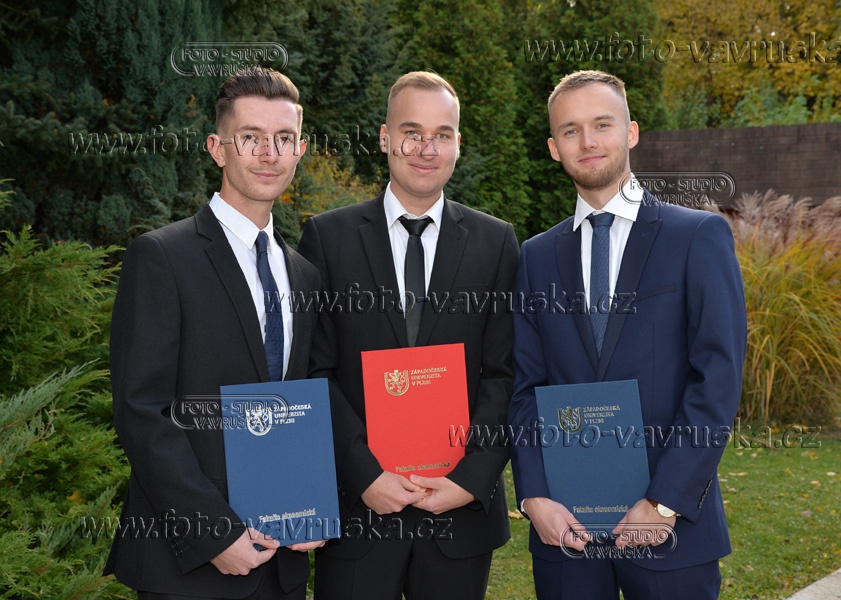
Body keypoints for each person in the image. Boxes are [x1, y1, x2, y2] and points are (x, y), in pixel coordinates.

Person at [507, 69, 747, 600]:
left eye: (602, 124)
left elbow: (718, 378)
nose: (587, 141)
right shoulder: (536, 257)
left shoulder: (696, 236)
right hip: (566, 533)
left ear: (631, 132)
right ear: (553, 148)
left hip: (672, 532)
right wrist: (534, 496)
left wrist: (664, 502)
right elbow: (525, 388)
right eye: (570, 130)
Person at [297, 71, 518, 600]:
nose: (426, 148)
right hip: (359, 516)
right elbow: (314, 371)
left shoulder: (496, 242)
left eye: (442, 134)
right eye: (411, 132)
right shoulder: (327, 237)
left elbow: (506, 373)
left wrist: (470, 478)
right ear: (384, 137)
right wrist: (363, 475)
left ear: (458, 144)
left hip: (458, 518)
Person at [105, 67, 323, 600]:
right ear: (216, 148)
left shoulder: (304, 275)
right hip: (189, 565)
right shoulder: (162, 257)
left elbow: (299, 405)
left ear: (299, 150)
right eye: (250, 137)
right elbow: (141, 410)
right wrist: (214, 533)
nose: (269, 153)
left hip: (281, 559)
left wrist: (312, 504)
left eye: (284, 138)